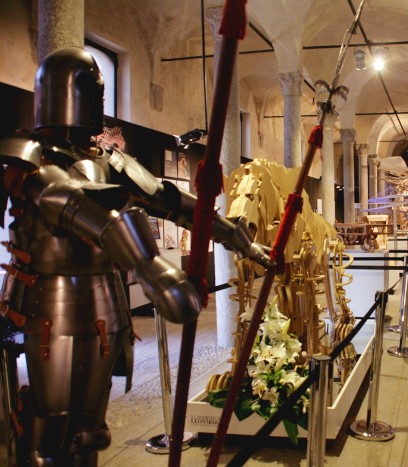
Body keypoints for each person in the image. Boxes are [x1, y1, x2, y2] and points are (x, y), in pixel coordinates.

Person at [0, 47, 272, 466]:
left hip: (103, 305)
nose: (96, 103)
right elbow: (72, 204)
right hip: (44, 306)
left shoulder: (108, 161)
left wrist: (241, 240)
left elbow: (177, 204)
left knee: (89, 432)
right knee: (48, 430)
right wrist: (155, 271)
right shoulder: (31, 154)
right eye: (90, 92)